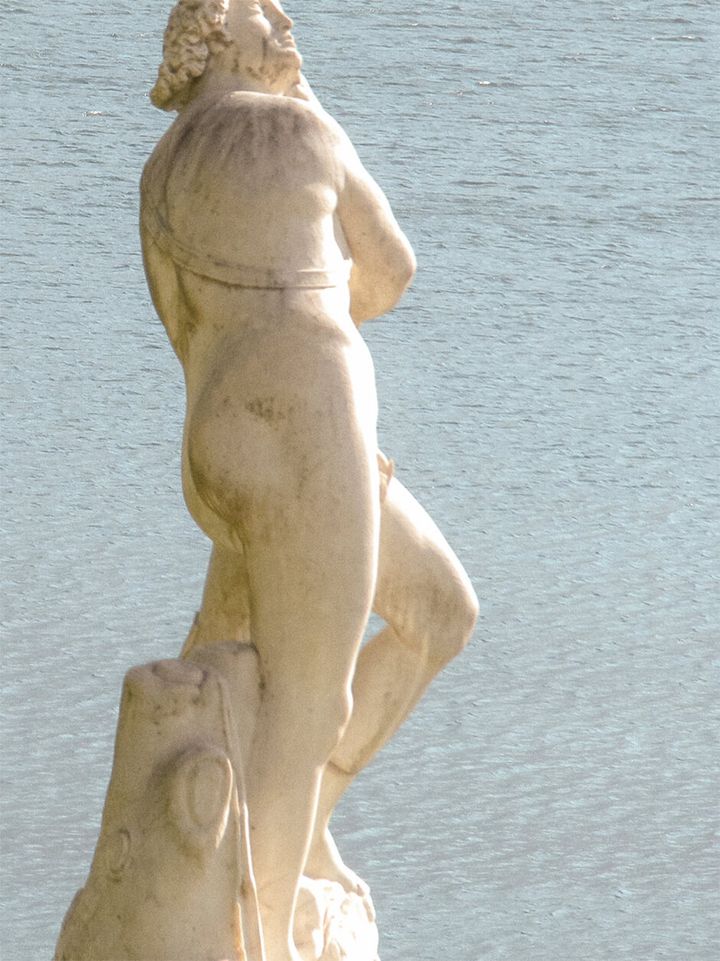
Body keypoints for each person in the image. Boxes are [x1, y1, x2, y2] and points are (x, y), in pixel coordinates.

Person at [141, 2, 478, 958]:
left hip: (222, 444)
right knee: (305, 703)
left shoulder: (160, 172)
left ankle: (297, 826)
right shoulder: (300, 130)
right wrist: (310, 104)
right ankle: (261, 931)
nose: (288, 22)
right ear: (216, 30)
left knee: (438, 608)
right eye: (264, 10)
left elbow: (185, 326)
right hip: (309, 426)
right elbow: (391, 273)